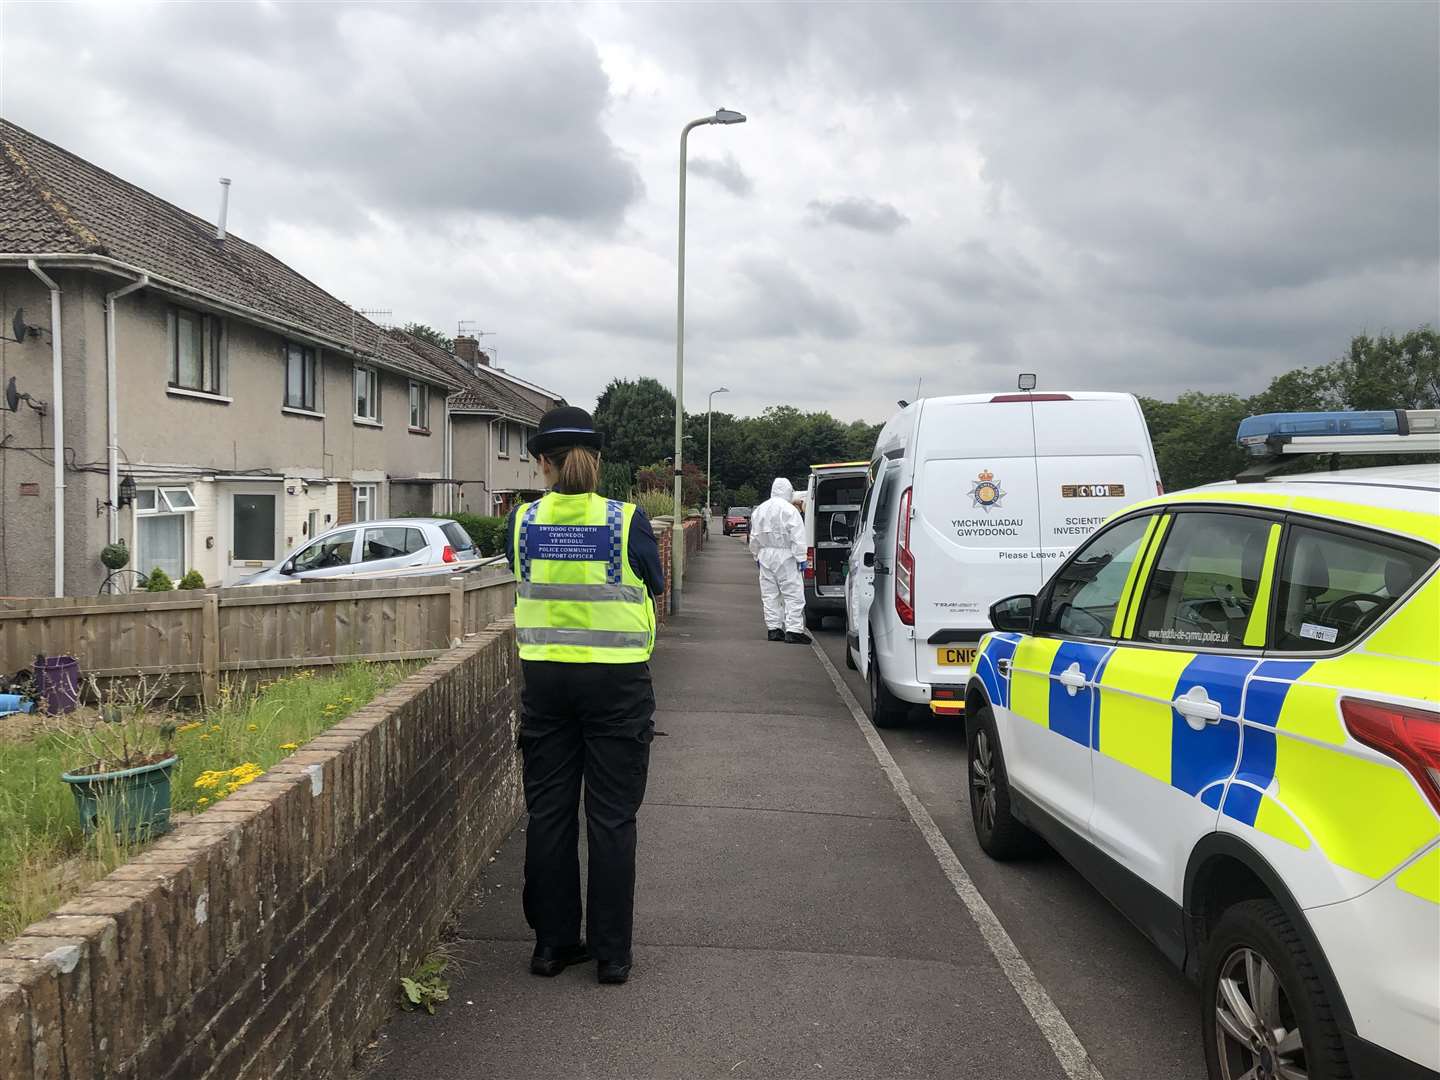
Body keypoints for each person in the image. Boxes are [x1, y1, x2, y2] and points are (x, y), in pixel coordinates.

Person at [502, 406, 665, 985]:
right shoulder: (627, 521)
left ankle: (550, 946)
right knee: (612, 817)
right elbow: (654, 584)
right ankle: (612, 954)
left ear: (542, 463)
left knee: (548, 812)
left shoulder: (521, 521)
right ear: (595, 462)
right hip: (617, 683)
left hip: (546, 682)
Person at [748, 477, 810, 644]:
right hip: (786, 556)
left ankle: (774, 629)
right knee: (792, 594)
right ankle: (794, 630)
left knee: (770, 594)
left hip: (765, 555)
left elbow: (753, 537)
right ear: (788, 491)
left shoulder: (760, 510)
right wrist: (801, 557)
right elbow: (797, 536)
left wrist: (756, 555)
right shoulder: (790, 510)